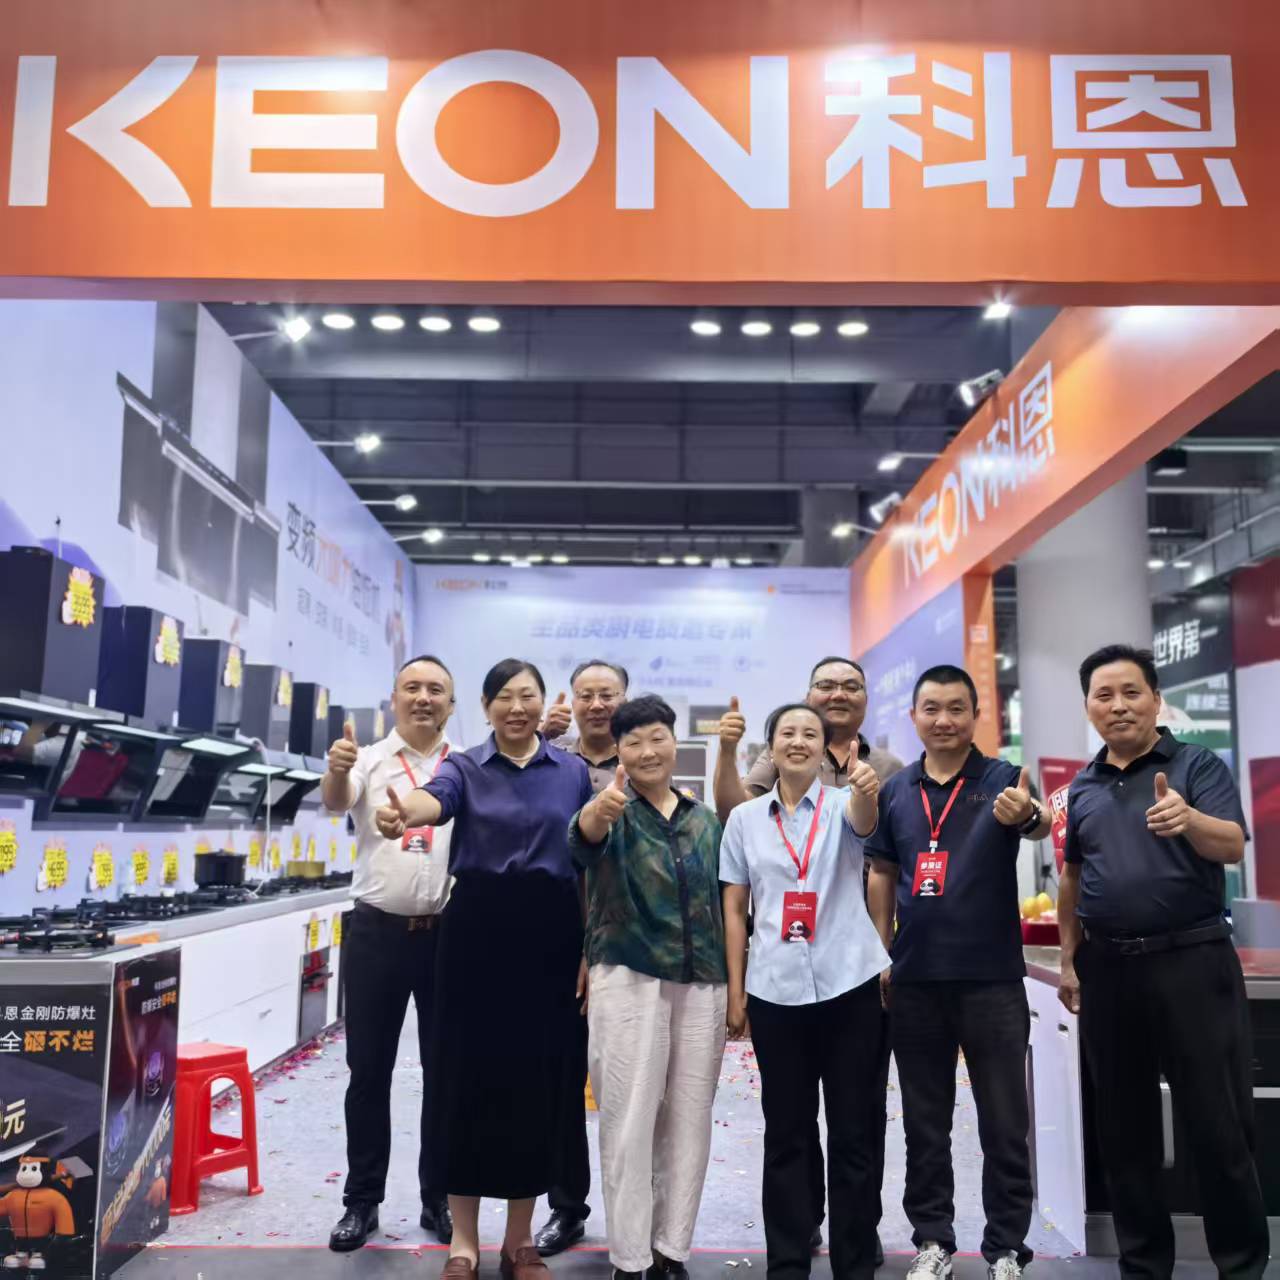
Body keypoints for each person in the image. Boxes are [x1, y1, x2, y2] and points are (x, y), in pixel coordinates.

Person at [375, 659, 592, 1280]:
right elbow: (434, 799)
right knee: (462, 1081)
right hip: (475, 935)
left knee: (537, 1085)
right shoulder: (464, 766)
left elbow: (587, 863)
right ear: (486, 705)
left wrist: (588, 948)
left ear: (543, 703)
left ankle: (519, 1240)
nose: (516, 708)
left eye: (528, 696)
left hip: (551, 936)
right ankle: (464, 1241)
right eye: (504, 697)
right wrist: (406, 811)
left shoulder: (572, 772)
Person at [1058, 644, 1268, 1280]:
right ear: (1089, 707)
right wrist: (1069, 960)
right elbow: (1072, 877)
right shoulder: (1083, 786)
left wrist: (1189, 818)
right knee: (1125, 1131)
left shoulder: (1196, 764)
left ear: (1155, 699)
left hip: (1192, 963)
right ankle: (1144, 1266)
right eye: (1104, 695)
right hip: (1109, 970)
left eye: (1131, 692)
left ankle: (1241, 1265)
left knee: (1218, 1123)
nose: (1118, 705)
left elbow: (1231, 844)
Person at [715, 657, 904, 1258]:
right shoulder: (745, 821)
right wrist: (737, 992)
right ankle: (789, 1259)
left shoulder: (845, 804)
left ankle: (855, 1259)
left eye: (809, 735)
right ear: (771, 748)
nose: (798, 742)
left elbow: (866, 824)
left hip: (850, 987)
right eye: (787, 734)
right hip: (775, 991)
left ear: (825, 748)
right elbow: (735, 907)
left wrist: (867, 792)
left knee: (853, 1131)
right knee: (787, 1133)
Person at [866, 664, 1048, 1280]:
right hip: (916, 978)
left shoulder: (1002, 779)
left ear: (975, 714)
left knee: (1005, 1120)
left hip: (991, 978)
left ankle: (1006, 1248)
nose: (944, 720)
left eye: (956, 708)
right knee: (925, 1122)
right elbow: (883, 872)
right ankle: (933, 1241)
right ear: (914, 716)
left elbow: (1038, 822)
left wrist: (1027, 813)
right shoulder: (896, 790)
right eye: (932, 708)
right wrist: (882, 952)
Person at [569, 694, 727, 1280]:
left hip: (701, 981)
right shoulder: (609, 810)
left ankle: (671, 1249)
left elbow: (725, 900)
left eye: (657, 738)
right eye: (633, 742)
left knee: (689, 1119)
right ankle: (630, 1258)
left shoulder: (703, 820)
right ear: (618, 752)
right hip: (628, 976)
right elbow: (581, 840)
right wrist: (600, 811)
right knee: (629, 1118)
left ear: (675, 743)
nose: (647, 751)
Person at [321, 654, 457, 1252]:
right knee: (368, 1072)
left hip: (448, 936)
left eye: (435, 689)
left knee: (446, 1073)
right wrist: (336, 768)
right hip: (376, 934)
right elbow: (337, 800)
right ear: (394, 697)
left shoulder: (465, 766)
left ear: (451, 703)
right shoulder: (368, 759)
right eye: (412, 687)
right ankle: (362, 1201)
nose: (423, 697)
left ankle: (440, 1197)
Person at [534, 658, 631, 1256]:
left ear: (626, 698)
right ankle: (567, 1207)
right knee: (562, 1082)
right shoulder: (550, 760)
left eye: (608, 694)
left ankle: (635, 1214)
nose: (597, 705)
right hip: (559, 936)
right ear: (571, 700)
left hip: (626, 940)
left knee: (629, 1084)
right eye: (586, 695)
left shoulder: (641, 757)